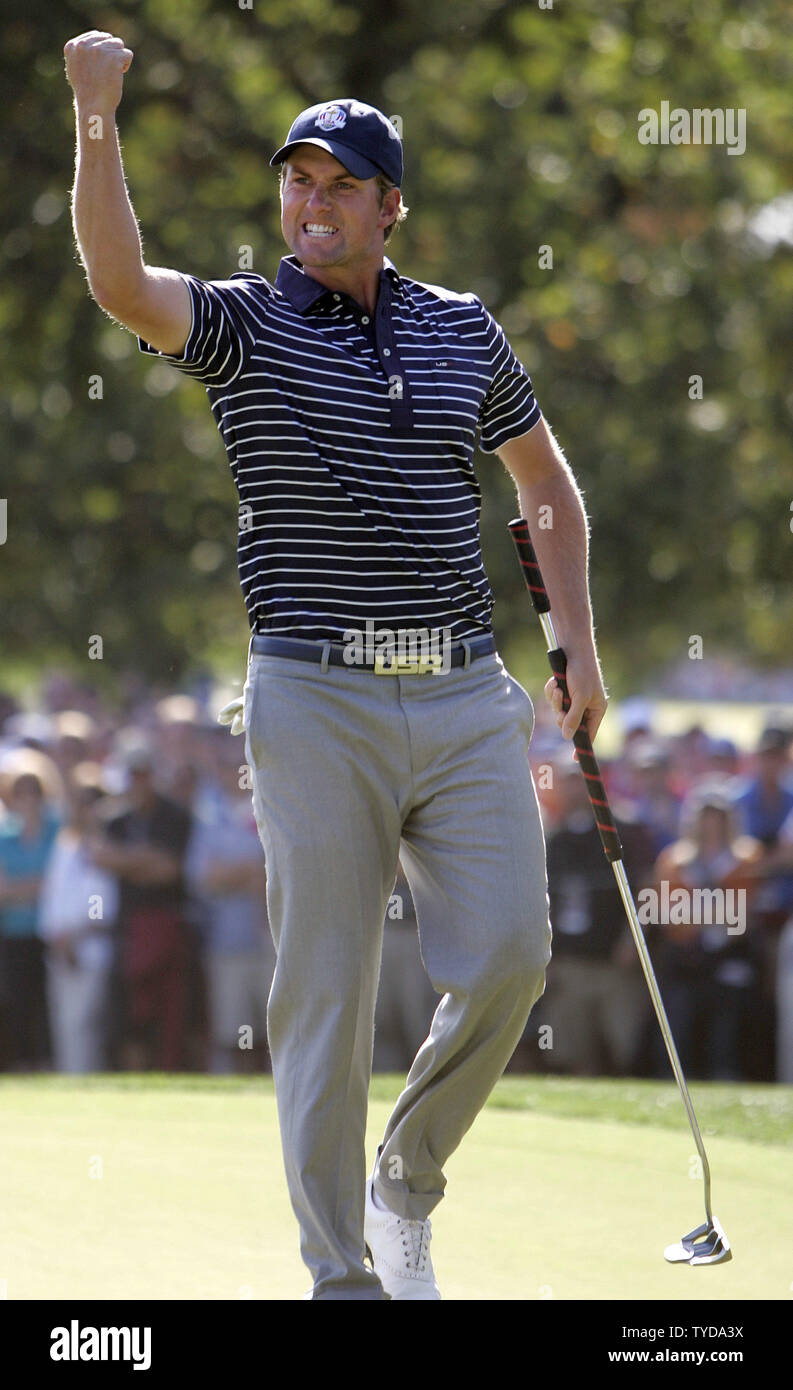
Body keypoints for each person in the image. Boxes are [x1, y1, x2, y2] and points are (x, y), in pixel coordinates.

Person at [65, 32, 608, 1300]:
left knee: (513, 957)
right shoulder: (246, 326)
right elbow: (115, 280)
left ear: (389, 206)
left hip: (469, 691)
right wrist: (98, 119)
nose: (311, 204)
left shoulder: (462, 331)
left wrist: (574, 645)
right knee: (322, 992)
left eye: (341, 185)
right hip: (314, 694)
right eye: (296, 182)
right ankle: (340, 1275)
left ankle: (403, 1182)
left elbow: (544, 490)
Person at [37, 764, 118, 1073]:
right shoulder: (65, 846)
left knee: (88, 1028)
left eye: (94, 800)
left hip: (94, 952)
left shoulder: (110, 846)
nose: (87, 808)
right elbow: (53, 898)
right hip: (60, 952)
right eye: (82, 800)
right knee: (66, 1028)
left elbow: (106, 907)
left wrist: (77, 935)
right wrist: (59, 938)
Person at [0, 766, 61, 1070]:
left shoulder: (58, 829)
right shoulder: (4, 835)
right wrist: (40, 885)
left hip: (52, 933)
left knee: (49, 1003)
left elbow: (61, 882)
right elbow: (3, 891)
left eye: (33, 792)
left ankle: (48, 1062)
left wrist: (22, 886)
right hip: (16, 934)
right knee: (20, 1001)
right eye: (20, 793)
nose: (27, 799)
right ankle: (24, 1063)